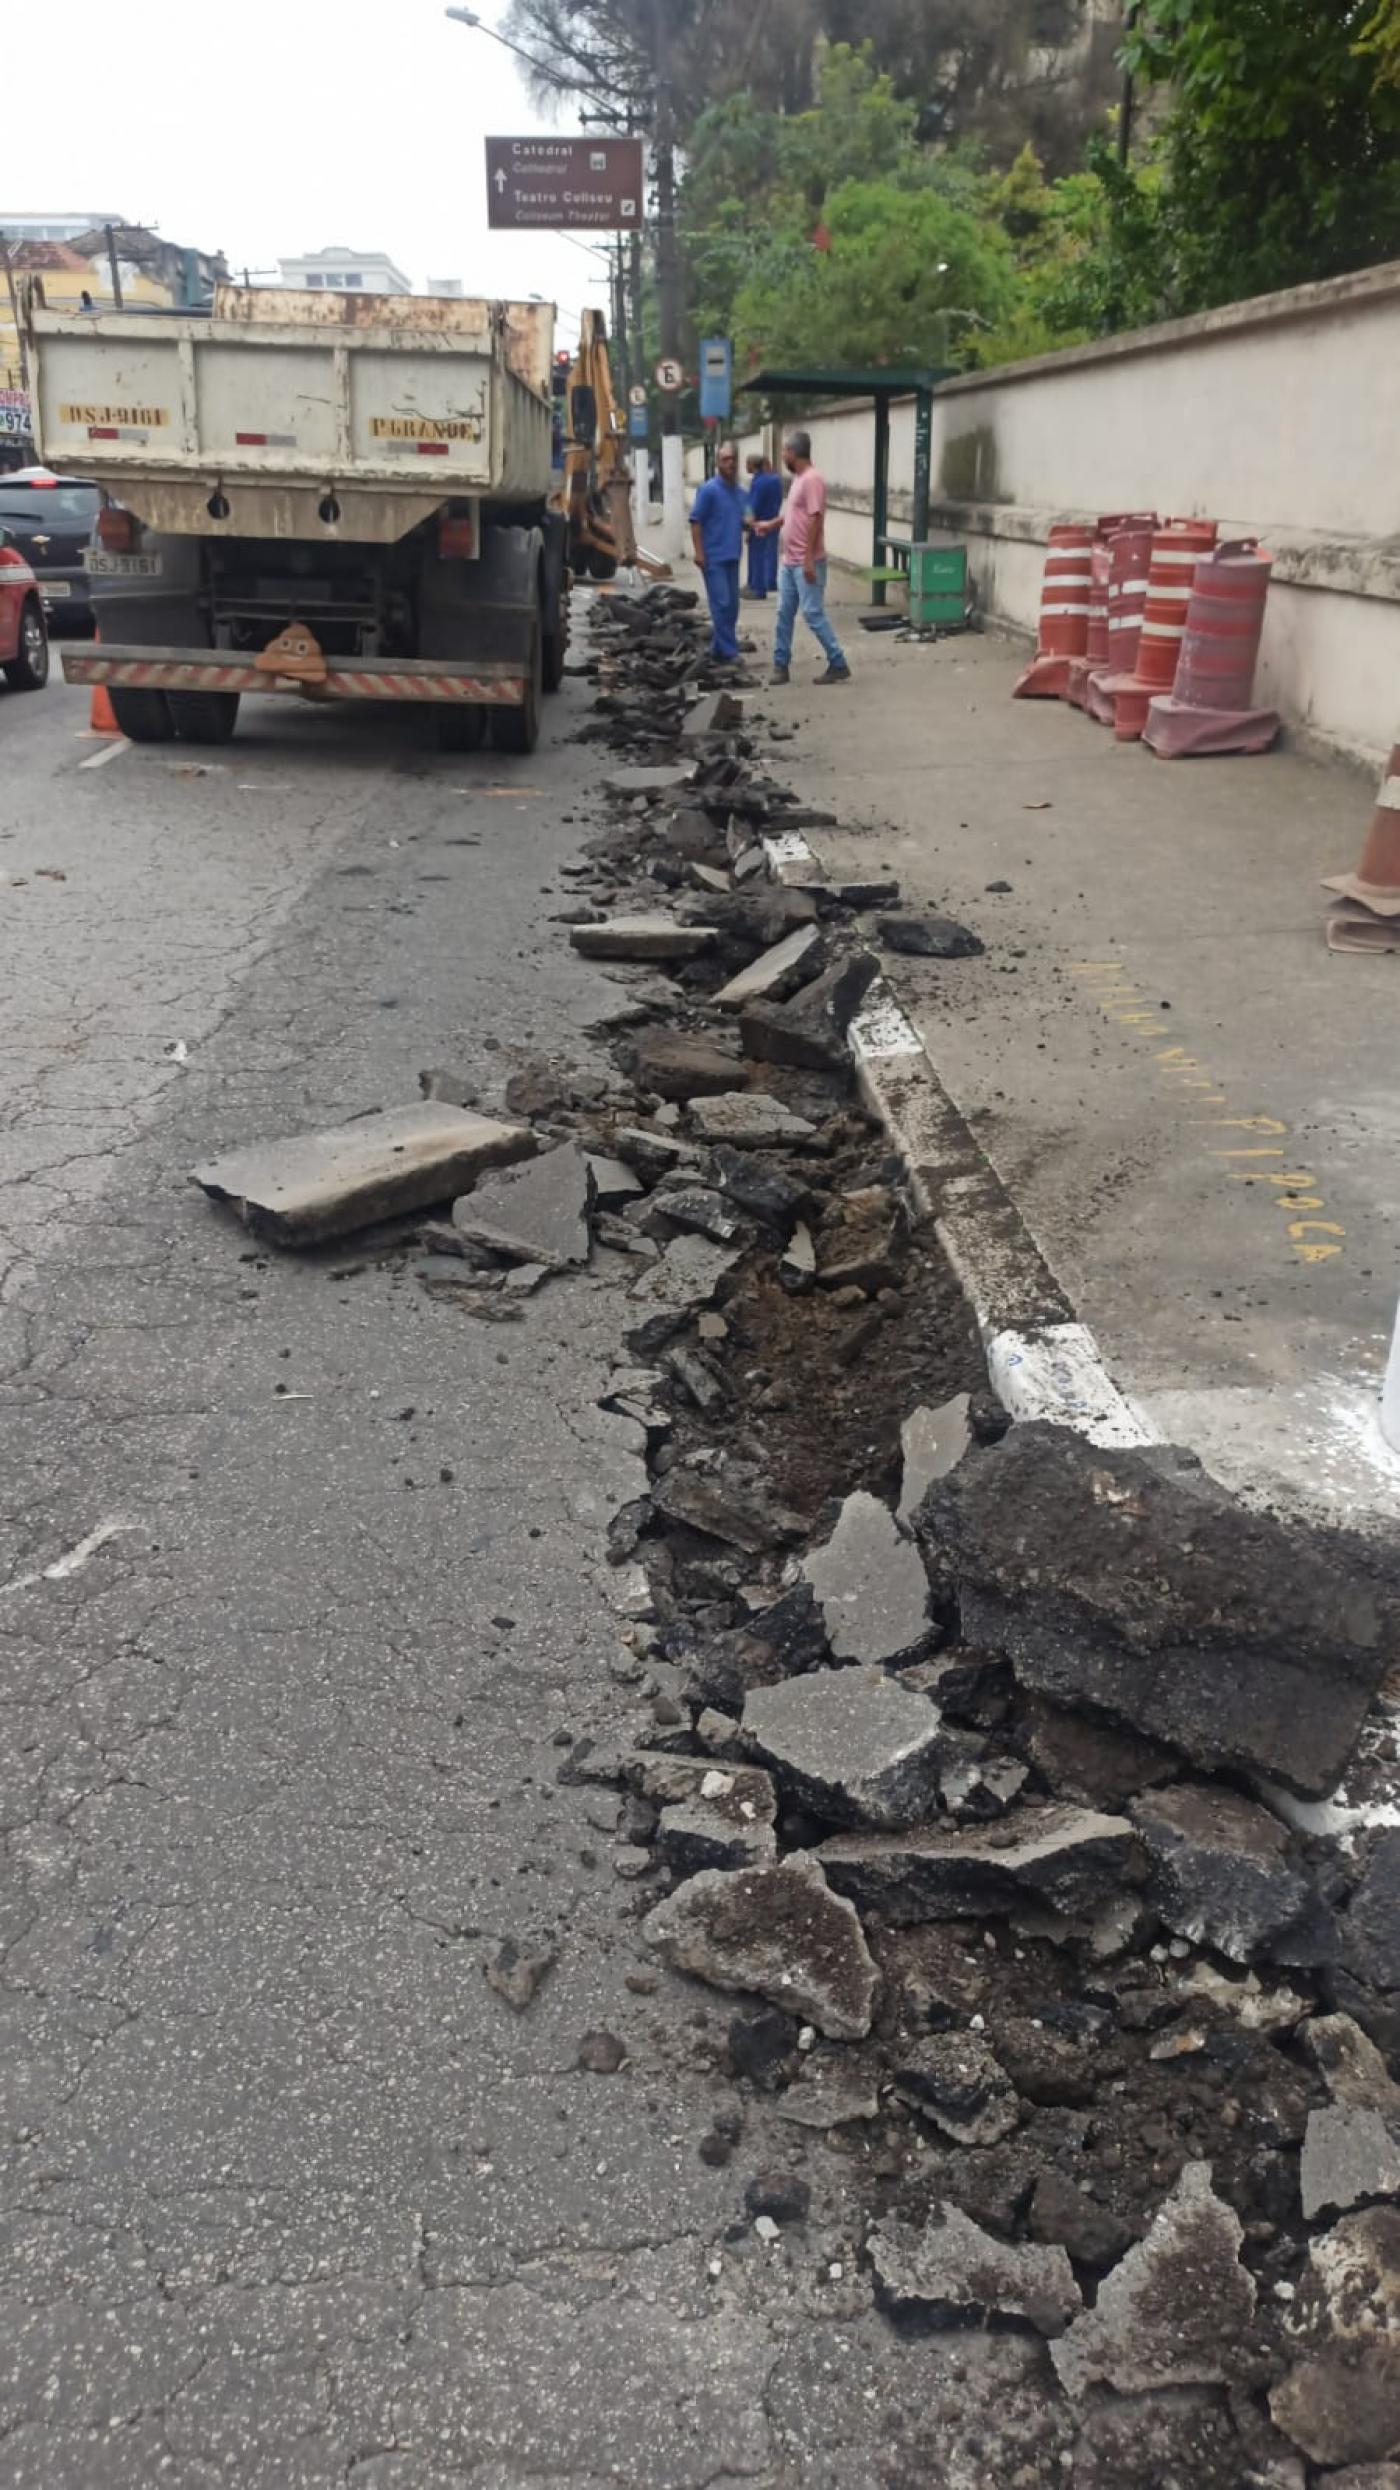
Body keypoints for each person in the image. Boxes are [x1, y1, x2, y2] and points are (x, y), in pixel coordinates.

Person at [767, 429, 850, 686]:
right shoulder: (798, 479)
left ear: (793, 453)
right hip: (790, 561)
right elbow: (795, 515)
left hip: (805, 561)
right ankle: (781, 664)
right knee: (784, 612)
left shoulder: (813, 479)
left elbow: (815, 517)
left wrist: (808, 558)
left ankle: (838, 662)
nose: (782, 456)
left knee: (813, 613)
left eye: (784, 452)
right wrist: (771, 525)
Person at [689, 438, 745, 666]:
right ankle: (729, 652)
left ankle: (720, 648)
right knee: (721, 603)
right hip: (713, 558)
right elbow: (696, 522)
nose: (729, 463)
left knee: (732, 605)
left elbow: (748, 516)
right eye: (725, 460)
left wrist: (760, 525)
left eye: (732, 459)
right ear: (717, 463)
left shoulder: (740, 492)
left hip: (732, 556)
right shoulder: (709, 490)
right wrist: (699, 552)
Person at [742, 451, 782, 600]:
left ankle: (757, 588)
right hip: (774, 520)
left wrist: (747, 525)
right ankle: (769, 582)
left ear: (752, 465)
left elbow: (752, 506)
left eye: (747, 463)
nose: (745, 466)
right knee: (771, 553)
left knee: (756, 555)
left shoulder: (757, 482)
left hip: (759, 524)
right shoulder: (775, 480)